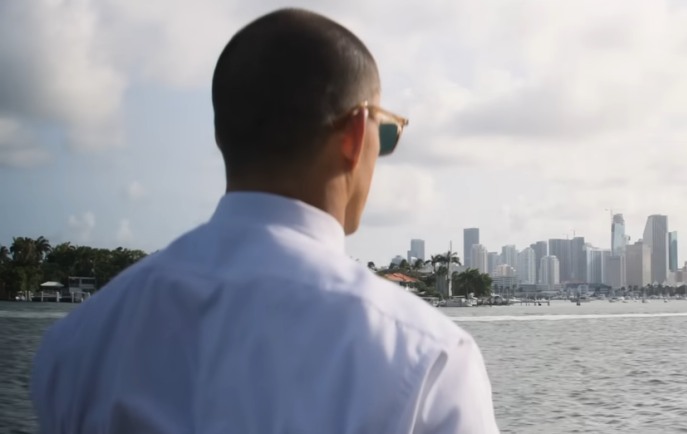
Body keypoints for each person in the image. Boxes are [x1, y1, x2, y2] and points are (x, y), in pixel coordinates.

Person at [31, 9, 499, 434]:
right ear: (357, 135)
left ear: (220, 133)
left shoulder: (76, 343)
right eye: (387, 133)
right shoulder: (429, 360)